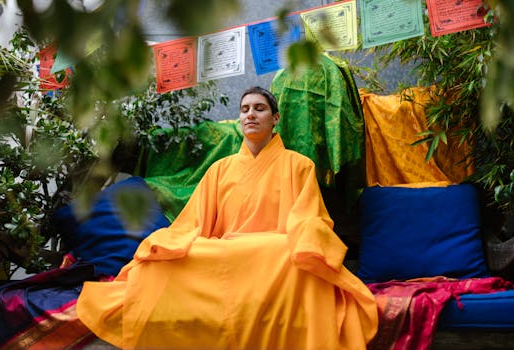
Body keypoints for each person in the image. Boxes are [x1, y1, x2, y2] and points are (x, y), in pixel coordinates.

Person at [77, 86, 378, 349]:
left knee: (289, 253)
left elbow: (308, 218)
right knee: (169, 261)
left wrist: (307, 241)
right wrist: (170, 243)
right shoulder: (220, 169)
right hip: (226, 252)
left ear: (275, 119)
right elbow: (193, 223)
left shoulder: (299, 165)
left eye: (259, 109)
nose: (251, 115)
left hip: (273, 255)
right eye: (245, 109)